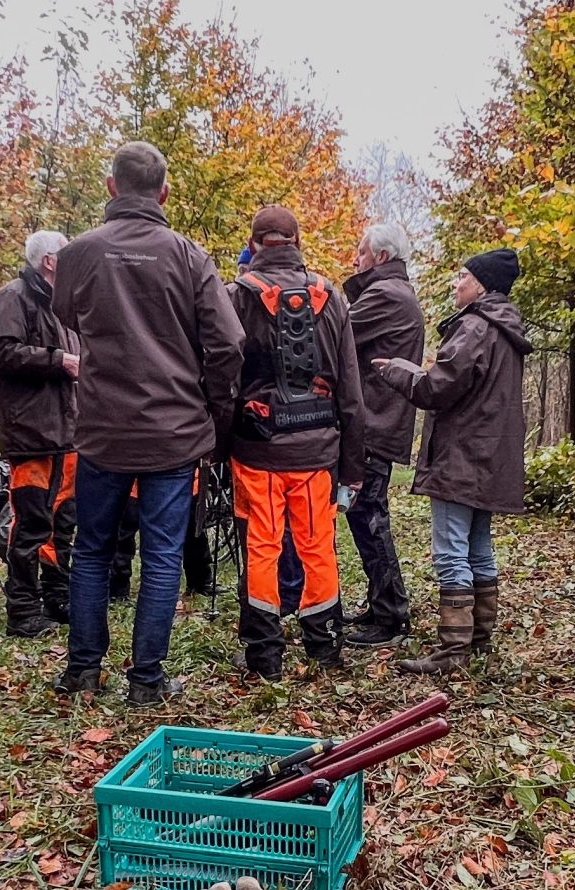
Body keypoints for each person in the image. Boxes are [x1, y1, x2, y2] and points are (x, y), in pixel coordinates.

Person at [50, 141, 244, 706]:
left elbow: (65, 315)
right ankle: (147, 681)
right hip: (174, 431)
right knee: (161, 554)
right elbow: (229, 342)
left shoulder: (79, 253)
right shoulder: (188, 255)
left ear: (112, 187)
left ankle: (83, 671)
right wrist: (211, 402)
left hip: (102, 429)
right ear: (163, 192)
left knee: (91, 548)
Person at [370, 247, 529, 676]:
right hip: (488, 456)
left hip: (462, 456)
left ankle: (452, 648)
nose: (455, 283)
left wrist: (398, 371)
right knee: (478, 547)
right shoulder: (504, 329)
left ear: (481, 285)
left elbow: (436, 388)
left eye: (462, 275)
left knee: (450, 551)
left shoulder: (475, 327)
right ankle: (479, 636)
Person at [224, 205, 363, 677]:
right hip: (318, 450)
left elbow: (222, 380)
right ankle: (324, 648)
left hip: (257, 450)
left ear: (255, 243)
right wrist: (352, 468)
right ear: (297, 241)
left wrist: (218, 445)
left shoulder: (237, 296)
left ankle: (264, 655)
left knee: (262, 546)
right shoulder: (332, 297)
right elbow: (351, 390)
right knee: (317, 546)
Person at [0, 229, 80, 637]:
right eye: (67, 254)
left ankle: (57, 596)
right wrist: (60, 361)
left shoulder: (64, 305)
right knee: (30, 523)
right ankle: (22, 611)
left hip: (69, 431)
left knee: (63, 521)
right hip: (32, 431)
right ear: (49, 261)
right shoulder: (13, 297)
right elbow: (2, 351)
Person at [341, 222, 425, 648]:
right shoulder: (393, 292)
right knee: (365, 515)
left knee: (369, 516)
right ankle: (382, 604)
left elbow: (333, 332)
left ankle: (391, 615)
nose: (355, 260)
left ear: (382, 257)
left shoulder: (385, 295)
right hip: (380, 420)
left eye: (361, 253)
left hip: (375, 423)